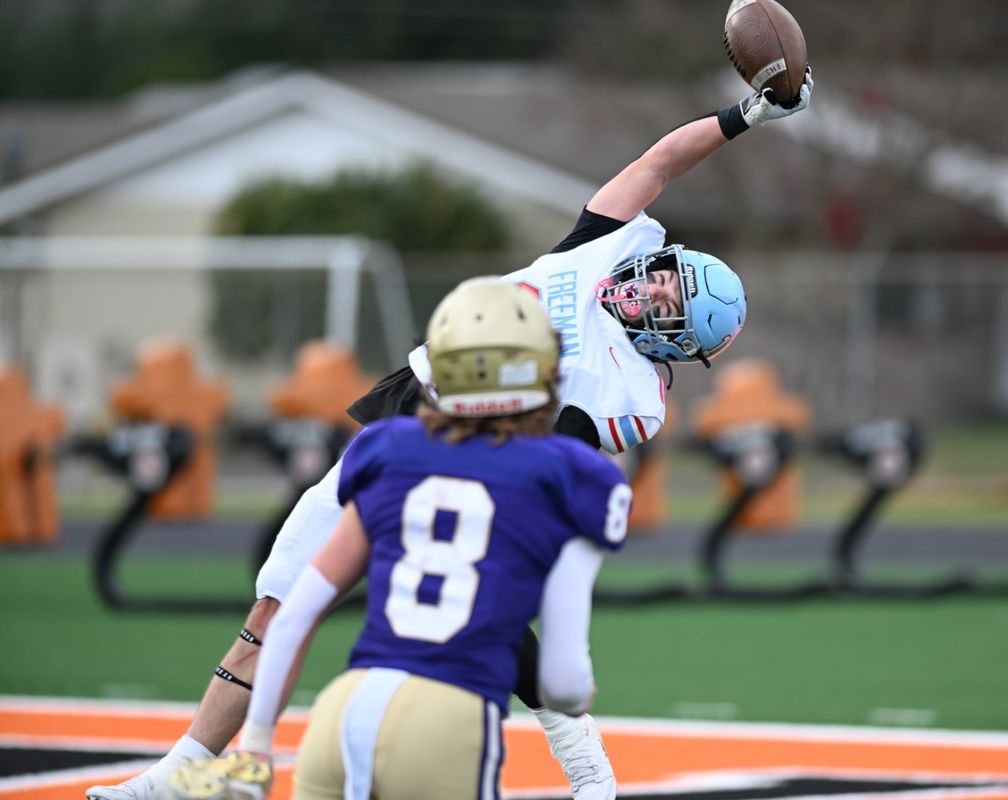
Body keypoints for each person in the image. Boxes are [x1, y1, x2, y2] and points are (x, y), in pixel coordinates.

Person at [85, 69, 814, 800]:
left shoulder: (630, 391)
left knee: (469, 606)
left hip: (479, 443)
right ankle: (180, 773)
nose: (653, 287)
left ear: (675, 340)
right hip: (410, 403)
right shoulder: (606, 244)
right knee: (276, 605)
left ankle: (584, 761)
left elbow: (550, 447)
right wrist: (744, 115)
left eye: (670, 302)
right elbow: (659, 162)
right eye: (668, 277)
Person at [169, 277, 631, 799]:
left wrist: (254, 744)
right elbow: (565, 678)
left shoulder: (385, 447)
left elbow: (295, 615)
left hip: (344, 712)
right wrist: (573, 705)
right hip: (449, 720)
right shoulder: (576, 474)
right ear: (543, 372)